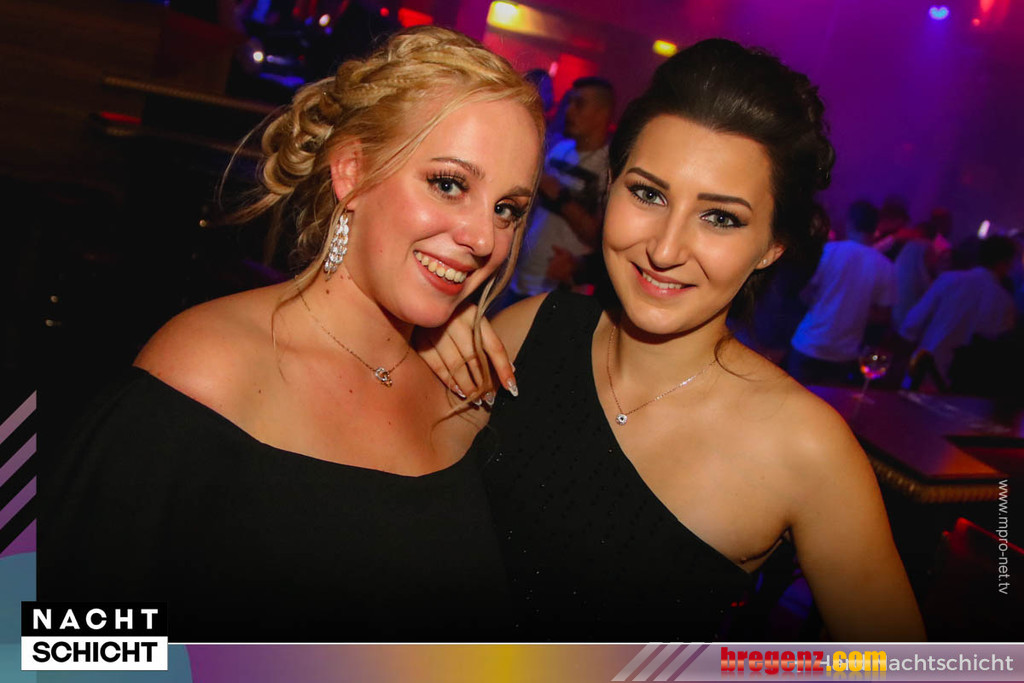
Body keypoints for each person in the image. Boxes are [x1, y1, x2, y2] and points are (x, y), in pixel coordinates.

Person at [37, 26, 544, 642]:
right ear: (352, 171)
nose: (485, 238)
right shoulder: (212, 367)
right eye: (449, 184)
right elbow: (59, 647)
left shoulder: (467, 398)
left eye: (507, 209)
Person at [419, 39, 924, 642]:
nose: (664, 249)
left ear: (772, 245)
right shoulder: (529, 330)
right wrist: (419, 342)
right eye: (648, 194)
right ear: (611, 187)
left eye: (720, 218)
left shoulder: (806, 446)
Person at [505, 76, 615, 302]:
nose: (570, 111)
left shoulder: (609, 168)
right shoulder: (559, 149)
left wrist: (560, 196)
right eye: (570, 102)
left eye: (579, 104)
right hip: (520, 277)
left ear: (602, 114)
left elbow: (599, 237)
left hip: (558, 291)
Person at [786, 200, 897, 386]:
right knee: (827, 403)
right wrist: (856, 308)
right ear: (875, 227)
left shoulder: (829, 251)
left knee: (790, 398)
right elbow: (884, 315)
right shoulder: (885, 266)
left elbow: (805, 293)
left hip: (809, 342)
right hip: (844, 352)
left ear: (849, 223)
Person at [899, 235, 1017, 388]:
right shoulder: (1005, 301)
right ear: (1003, 263)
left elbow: (912, 323)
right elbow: (999, 351)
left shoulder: (950, 280)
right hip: (969, 385)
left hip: (926, 371)